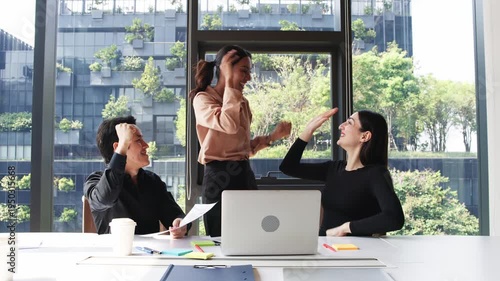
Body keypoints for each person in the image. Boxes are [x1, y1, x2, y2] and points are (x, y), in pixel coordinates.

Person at [189, 45, 291, 237]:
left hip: (244, 173)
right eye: (244, 71)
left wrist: (272, 137)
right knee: (220, 236)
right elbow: (228, 125)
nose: (249, 78)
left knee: (251, 234)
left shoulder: (242, 102)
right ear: (224, 68)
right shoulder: (203, 99)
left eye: (249, 71)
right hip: (219, 176)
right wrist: (230, 85)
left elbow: (244, 148)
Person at [279, 108, 404, 236]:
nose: (341, 126)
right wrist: (309, 130)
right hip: (325, 246)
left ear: (365, 136)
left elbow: (394, 218)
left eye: (349, 123)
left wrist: (345, 228)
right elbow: (288, 167)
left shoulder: (375, 174)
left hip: (355, 251)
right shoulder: (334, 169)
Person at [84, 116, 189, 237]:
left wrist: (180, 224)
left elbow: (174, 215)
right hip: (114, 254)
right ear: (118, 147)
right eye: (138, 140)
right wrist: (122, 146)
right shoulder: (96, 181)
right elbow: (105, 198)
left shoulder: (152, 181)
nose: (146, 145)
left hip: (149, 253)